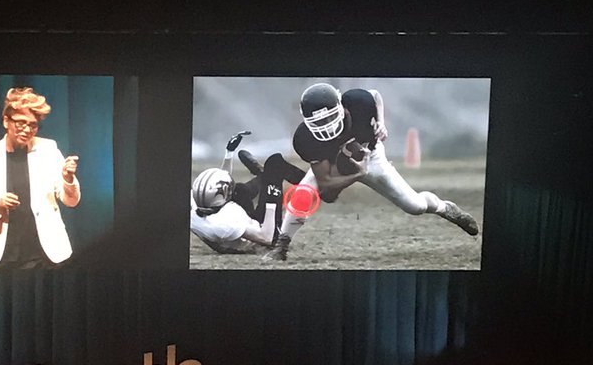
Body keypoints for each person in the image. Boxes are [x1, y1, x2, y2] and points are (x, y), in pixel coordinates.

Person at [264, 83, 480, 262]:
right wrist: (357, 175)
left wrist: (381, 123)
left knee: (415, 206)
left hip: (371, 156)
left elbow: (375, 95)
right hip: (335, 164)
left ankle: (445, 208)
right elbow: (327, 184)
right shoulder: (304, 139)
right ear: (306, 121)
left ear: (341, 106)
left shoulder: (358, 102)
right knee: (304, 195)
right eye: (318, 122)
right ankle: (282, 246)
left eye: (329, 117)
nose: (326, 125)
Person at [0, 85, 80, 270]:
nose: (27, 130)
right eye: (21, 123)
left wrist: (68, 179)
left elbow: (71, 201)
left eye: (33, 125)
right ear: (6, 121)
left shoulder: (48, 149)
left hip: (44, 253)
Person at [190, 134, 306, 256]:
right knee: (274, 163)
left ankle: (263, 176)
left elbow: (221, 186)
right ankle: (310, 183)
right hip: (268, 231)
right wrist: (271, 201)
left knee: (239, 190)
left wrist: (229, 153)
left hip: (248, 228)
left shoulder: (197, 206)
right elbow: (267, 237)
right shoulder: (225, 224)